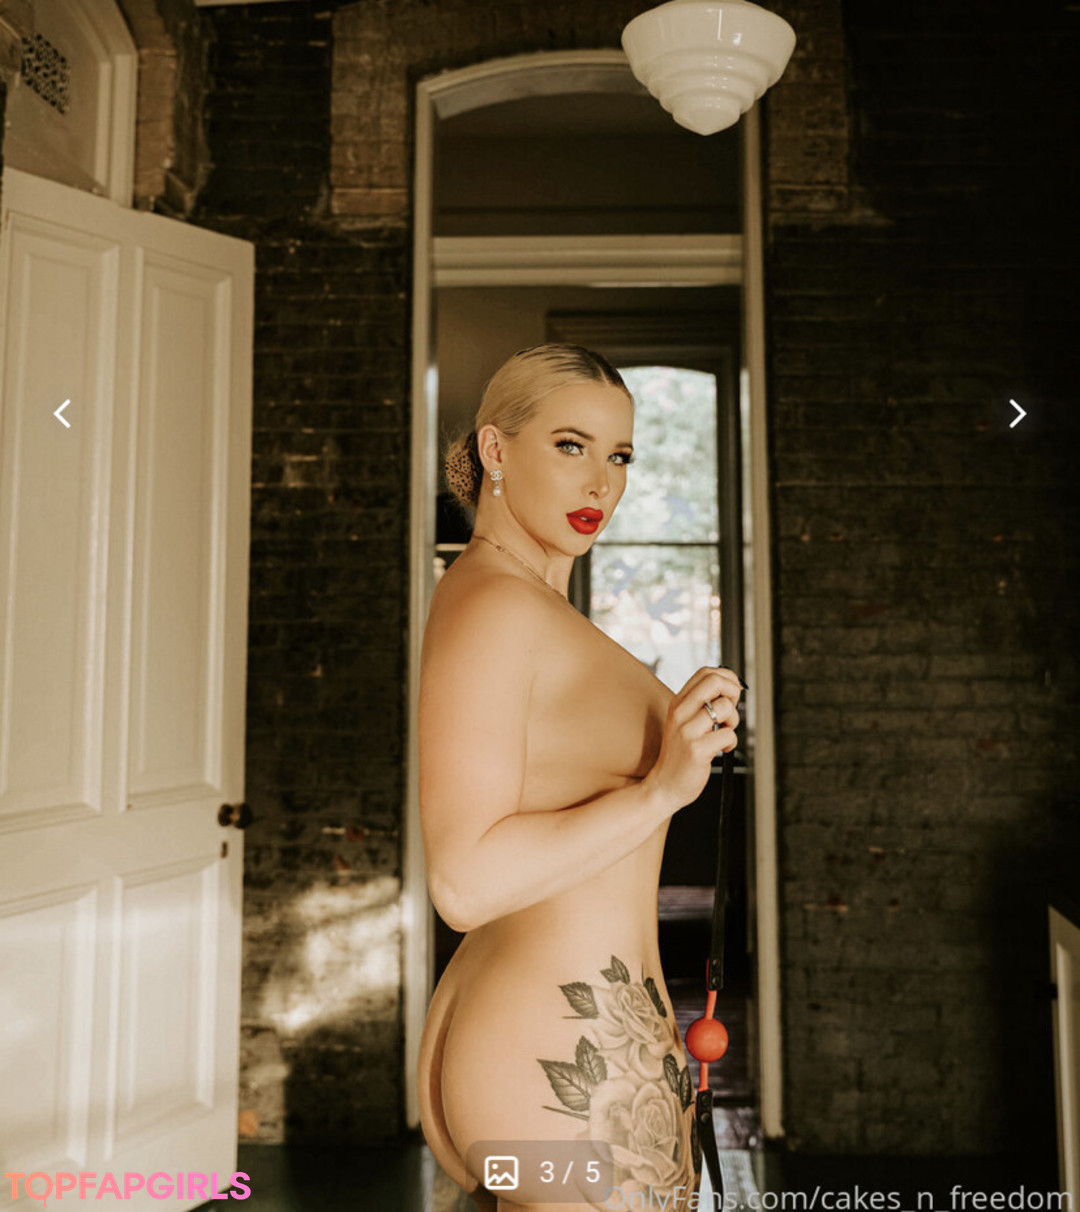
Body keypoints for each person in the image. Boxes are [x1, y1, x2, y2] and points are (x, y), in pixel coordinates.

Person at [416, 344, 744, 1212]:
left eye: (620, 455)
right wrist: (660, 788)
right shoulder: (493, 604)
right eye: (571, 446)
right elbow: (464, 882)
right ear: (495, 450)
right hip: (551, 1065)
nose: (601, 481)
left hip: (573, 1053)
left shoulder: (530, 607)